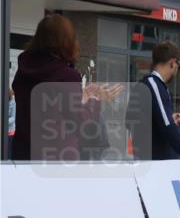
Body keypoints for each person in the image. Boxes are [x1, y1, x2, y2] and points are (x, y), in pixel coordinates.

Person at [12, 15, 121, 162]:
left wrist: (82, 97)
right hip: (57, 160)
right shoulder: (66, 75)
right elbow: (81, 122)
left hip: (23, 156)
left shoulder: (23, 71)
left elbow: (48, 109)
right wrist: (95, 100)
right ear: (66, 42)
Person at [124, 40, 180, 167]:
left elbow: (129, 121)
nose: (177, 71)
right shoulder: (154, 86)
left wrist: (168, 119)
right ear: (172, 63)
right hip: (158, 163)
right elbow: (168, 128)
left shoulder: (144, 84)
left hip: (146, 162)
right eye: (179, 66)